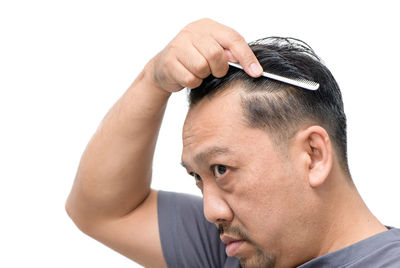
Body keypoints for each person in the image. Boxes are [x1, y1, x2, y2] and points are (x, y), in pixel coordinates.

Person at [65, 18, 400, 268]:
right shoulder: (234, 251)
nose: (212, 212)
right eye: (198, 178)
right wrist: (153, 79)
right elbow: (101, 211)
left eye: (221, 169)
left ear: (313, 155)